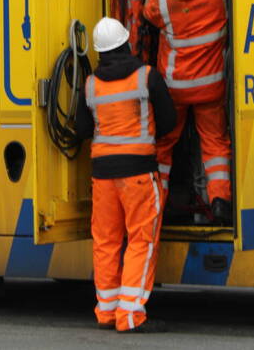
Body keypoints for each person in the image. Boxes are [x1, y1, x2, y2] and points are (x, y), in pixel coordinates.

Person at [75, 17, 176, 333]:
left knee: (105, 242)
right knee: (141, 241)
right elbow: (170, 121)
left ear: (100, 52)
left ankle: (107, 312)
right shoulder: (146, 77)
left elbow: (80, 130)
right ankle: (130, 315)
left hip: (103, 176)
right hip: (138, 174)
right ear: (126, 43)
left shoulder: (90, 85)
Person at [142, 0, 232, 224]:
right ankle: (219, 201)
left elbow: (149, 5)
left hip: (175, 90)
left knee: (165, 145)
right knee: (215, 144)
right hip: (211, 87)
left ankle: (157, 204)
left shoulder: (161, 4)